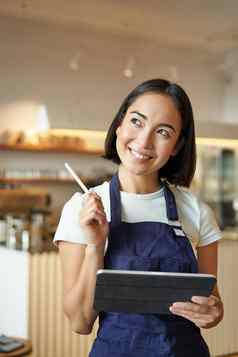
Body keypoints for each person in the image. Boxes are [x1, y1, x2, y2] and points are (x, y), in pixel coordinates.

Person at [54, 78, 224, 357]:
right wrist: (96, 245)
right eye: (136, 121)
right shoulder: (80, 209)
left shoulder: (197, 211)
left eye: (163, 132)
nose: (144, 141)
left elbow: (212, 304)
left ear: (177, 146)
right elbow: (80, 322)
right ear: (119, 124)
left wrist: (213, 313)